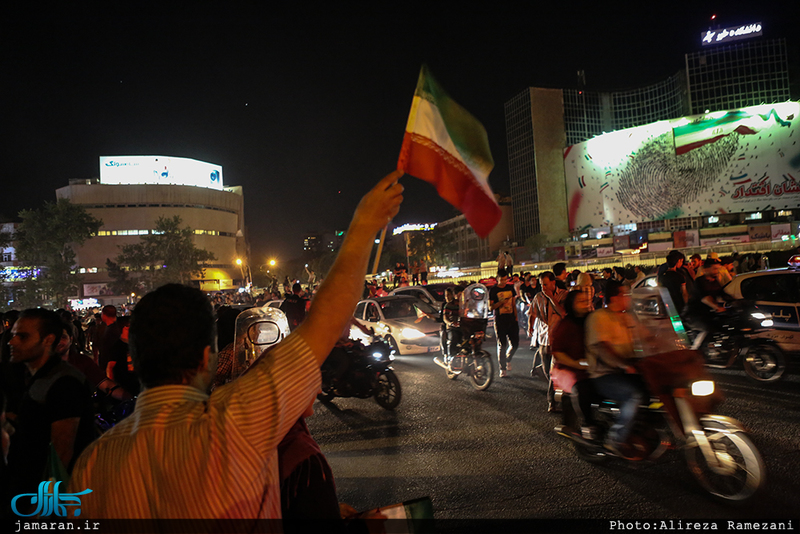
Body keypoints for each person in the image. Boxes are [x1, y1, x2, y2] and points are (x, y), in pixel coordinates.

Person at [67, 170, 404, 521]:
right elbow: (327, 318)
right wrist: (364, 225)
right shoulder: (236, 420)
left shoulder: (92, 465)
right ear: (205, 356)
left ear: (134, 356)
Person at [5, 309, 95, 511]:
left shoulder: (64, 382)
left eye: (23, 336)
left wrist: (43, 511)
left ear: (48, 340)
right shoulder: (36, 377)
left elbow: (62, 452)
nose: (12, 342)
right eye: (13, 336)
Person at [585, 280, 647, 456]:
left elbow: (646, 338)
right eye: (625, 294)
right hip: (605, 374)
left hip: (629, 370)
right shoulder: (598, 317)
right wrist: (625, 365)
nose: (629, 298)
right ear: (614, 298)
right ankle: (615, 438)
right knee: (633, 395)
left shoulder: (628, 317)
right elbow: (604, 349)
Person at [550, 290, 595, 434]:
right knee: (583, 387)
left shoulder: (591, 320)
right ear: (571, 304)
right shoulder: (565, 325)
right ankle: (588, 424)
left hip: (590, 365)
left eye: (586, 300)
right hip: (567, 369)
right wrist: (577, 364)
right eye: (580, 301)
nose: (586, 304)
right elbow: (557, 353)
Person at [528, 272, 567, 410]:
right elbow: (532, 312)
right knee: (547, 370)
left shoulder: (563, 295)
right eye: (541, 285)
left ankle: (552, 401)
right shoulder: (538, 297)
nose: (543, 287)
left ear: (553, 283)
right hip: (544, 337)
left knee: (554, 369)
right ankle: (545, 377)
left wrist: (551, 297)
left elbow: (562, 313)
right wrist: (530, 327)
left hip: (558, 337)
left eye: (545, 284)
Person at [489, 269, 518, 378]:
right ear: (497, 279)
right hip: (500, 320)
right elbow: (490, 307)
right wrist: (500, 303)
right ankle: (502, 368)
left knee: (515, 344)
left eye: (505, 279)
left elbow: (514, 304)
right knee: (502, 344)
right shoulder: (493, 290)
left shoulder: (510, 288)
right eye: (501, 280)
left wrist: (516, 317)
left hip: (511, 318)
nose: (504, 282)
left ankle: (508, 358)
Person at [658, 250, 689, 316]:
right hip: (678, 303)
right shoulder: (680, 276)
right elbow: (684, 293)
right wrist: (687, 306)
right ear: (677, 262)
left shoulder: (662, 276)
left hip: (666, 304)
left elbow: (659, 292)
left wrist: (660, 307)